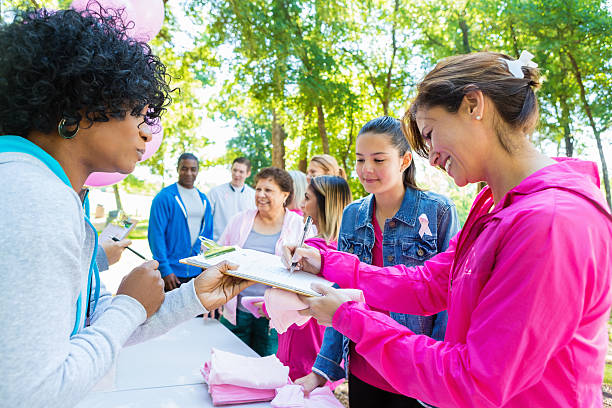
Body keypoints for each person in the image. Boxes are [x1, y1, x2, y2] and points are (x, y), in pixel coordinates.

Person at [284, 52, 612, 407]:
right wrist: (326, 263)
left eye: (431, 133)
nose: (432, 156)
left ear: (473, 105)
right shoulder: (496, 207)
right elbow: (429, 283)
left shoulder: (549, 224)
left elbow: (477, 380)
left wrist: (349, 317)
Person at [0, 8, 252, 407]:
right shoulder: (33, 196)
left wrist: (194, 297)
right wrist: (130, 305)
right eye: (137, 111)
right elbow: (29, 394)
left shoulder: (36, 186)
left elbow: (86, 325)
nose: (146, 130)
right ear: (81, 102)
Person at [296, 117, 458, 408]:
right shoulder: (352, 216)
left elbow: (448, 300)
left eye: (378, 159)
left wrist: (438, 380)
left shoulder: (438, 211)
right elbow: (339, 295)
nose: (366, 169)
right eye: (360, 160)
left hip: (415, 374)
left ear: (404, 160)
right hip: (363, 368)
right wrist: (322, 370)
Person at [217, 167, 307, 356]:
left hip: (273, 318)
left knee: (265, 370)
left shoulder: (298, 226)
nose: (261, 195)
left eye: (268, 190)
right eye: (258, 189)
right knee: (229, 364)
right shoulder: (239, 220)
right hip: (237, 310)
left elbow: (306, 273)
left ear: (285, 195)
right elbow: (219, 256)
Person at [271, 175, 352, 381]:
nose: (301, 204)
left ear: (323, 202)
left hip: (303, 338)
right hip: (326, 342)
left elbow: (290, 298)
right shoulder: (347, 249)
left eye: (307, 198)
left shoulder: (315, 251)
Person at [148, 153, 213, 291]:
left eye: (193, 169)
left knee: (194, 313)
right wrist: (165, 269)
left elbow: (208, 237)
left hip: (197, 272)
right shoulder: (164, 197)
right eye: (184, 168)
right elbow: (156, 235)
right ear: (177, 169)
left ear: (197, 171)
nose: (189, 173)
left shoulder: (204, 200)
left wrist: (206, 267)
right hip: (171, 273)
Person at [207, 157, 256, 241]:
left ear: (248, 174)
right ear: (231, 170)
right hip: (218, 243)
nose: (237, 174)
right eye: (235, 170)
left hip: (243, 245)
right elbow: (205, 217)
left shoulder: (253, 195)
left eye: (241, 172)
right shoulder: (215, 192)